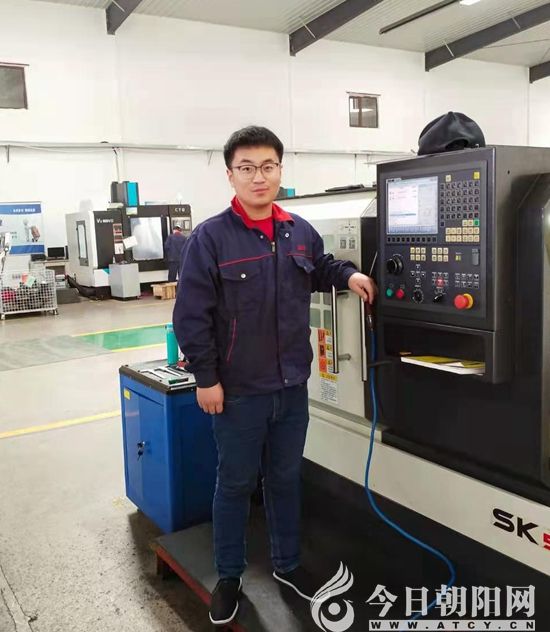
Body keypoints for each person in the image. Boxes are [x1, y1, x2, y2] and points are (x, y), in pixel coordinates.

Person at [172, 126, 377, 626]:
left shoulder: (298, 231)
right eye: (247, 168)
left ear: (280, 170)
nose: (258, 177)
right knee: (235, 484)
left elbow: (319, 265)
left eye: (267, 166)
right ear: (231, 175)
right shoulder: (210, 238)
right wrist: (206, 379)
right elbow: (191, 316)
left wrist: (348, 274)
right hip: (238, 392)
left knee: (285, 479)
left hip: (291, 387)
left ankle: (287, 564)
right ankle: (228, 576)